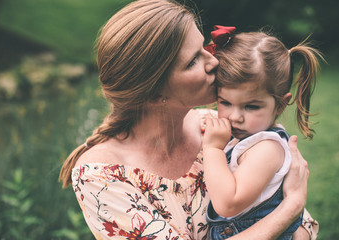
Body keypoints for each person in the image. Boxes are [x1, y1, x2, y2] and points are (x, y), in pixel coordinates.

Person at [59, 1, 316, 239]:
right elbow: (288, 211)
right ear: (152, 91)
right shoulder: (102, 177)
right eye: (193, 60)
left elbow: (298, 223)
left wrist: (292, 211)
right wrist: (292, 205)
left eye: (205, 47)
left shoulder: (217, 125)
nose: (213, 61)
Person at [202, 26, 322, 239]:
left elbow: (228, 204)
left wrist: (213, 149)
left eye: (252, 107)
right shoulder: (246, 136)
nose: (235, 117)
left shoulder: (267, 149)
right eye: (225, 102)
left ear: (281, 105)